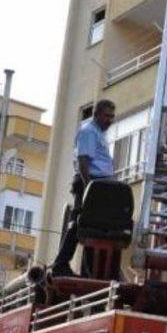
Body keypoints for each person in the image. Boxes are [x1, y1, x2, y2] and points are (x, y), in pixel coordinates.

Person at [51, 99, 116, 276]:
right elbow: (83, 162)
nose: (110, 120)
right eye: (106, 116)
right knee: (78, 224)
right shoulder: (88, 132)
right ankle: (61, 263)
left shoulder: (98, 133)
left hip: (98, 184)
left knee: (90, 226)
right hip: (90, 182)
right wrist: (90, 188)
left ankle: (87, 269)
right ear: (97, 115)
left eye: (112, 117)